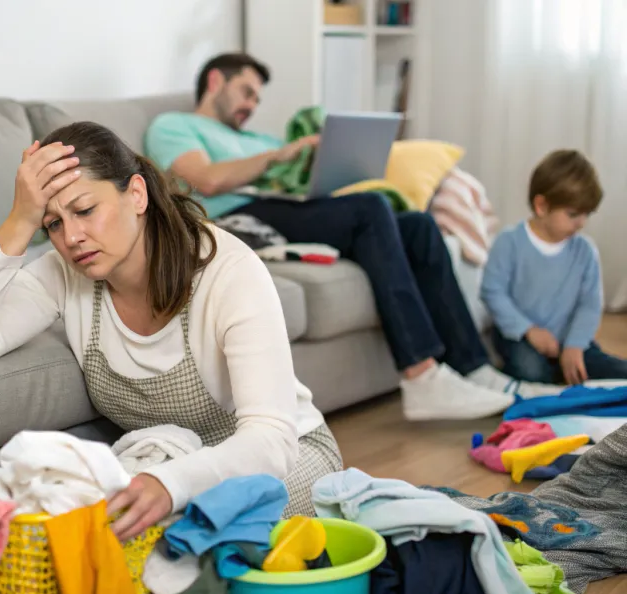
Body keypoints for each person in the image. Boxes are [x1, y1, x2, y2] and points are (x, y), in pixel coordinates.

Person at [0, 121, 344, 539]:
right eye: (54, 224)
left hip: (283, 461)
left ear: (136, 194)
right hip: (167, 466)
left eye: (85, 211)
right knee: (81, 534)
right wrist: (20, 220)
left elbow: (271, 441)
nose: (73, 237)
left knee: (187, 536)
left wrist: (170, 484)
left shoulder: (228, 269)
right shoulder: (65, 273)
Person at [144, 52, 554, 421]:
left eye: (257, 98)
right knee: (371, 209)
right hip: (236, 218)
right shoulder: (175, 125)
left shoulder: (255, 139)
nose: (251, 105)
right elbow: (206, 181)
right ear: (215, 81)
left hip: (281, 207)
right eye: (246, 92)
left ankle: (475, 368)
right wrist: (278, 155)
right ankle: (421, 375)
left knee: (419, 226)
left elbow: (290, 180)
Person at [482, 149, 627, 384]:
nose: (581, 223)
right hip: (520, 336)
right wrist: (529, 330)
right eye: (573, 214)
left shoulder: (585, 251)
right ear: (541, 206)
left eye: (586, 214)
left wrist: (575, 345)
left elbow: (589, 305)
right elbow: (492, 291)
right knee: (531, 372)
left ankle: (562, 369)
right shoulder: (510, 242)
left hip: (569, 339)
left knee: (617, 372)